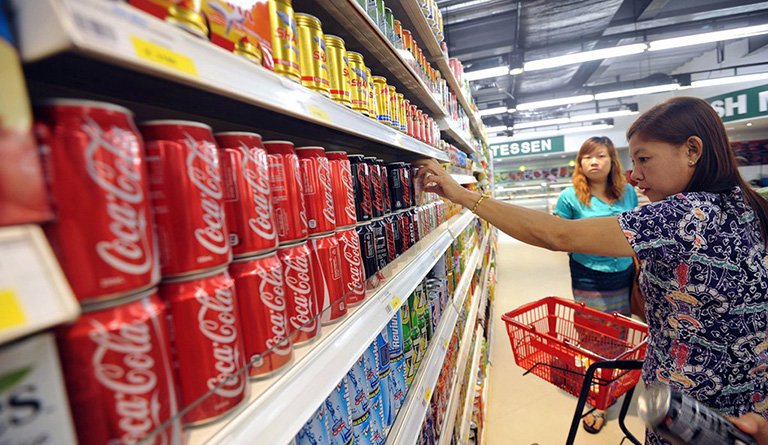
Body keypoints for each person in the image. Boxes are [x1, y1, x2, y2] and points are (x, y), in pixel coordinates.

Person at [415, 96, 768, 445]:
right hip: (749, 408)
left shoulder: (686, 214)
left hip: (694, 415)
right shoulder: (748, 205)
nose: (635, 175)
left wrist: (461, 195)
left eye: (644, 159)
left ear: (692, 150)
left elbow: (556, 234)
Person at [553, 136, 638, 433]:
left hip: (623, 273)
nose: (593, 162)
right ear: (579, 164)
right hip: (588, 274)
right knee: (593, 335)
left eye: (600, 156)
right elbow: (558, 234)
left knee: (618, 333)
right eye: (586, 157)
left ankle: (606, 384)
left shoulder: (628, 193)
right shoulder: (569, 197)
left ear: (612, 160)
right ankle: (600, 398)